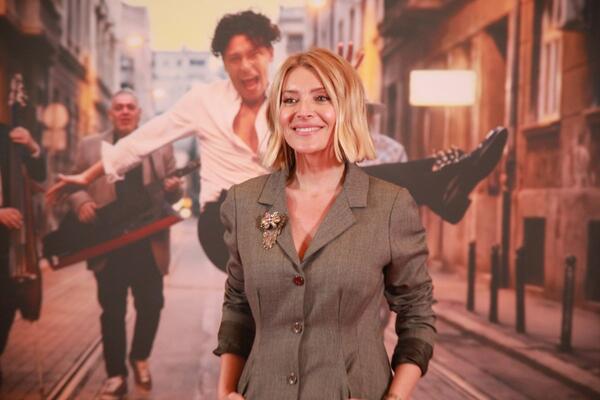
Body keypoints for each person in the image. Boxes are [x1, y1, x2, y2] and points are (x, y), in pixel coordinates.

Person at [46, 10, 507, 267]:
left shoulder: (291, 99)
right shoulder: (203, 100)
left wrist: (340, 88)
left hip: (273, 222)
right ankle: (439, 182)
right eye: (234, 59)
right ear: (224, 64)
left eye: (253, 55)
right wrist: (84, 177)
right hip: (222, 221)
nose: (245, 67)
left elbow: (333, 152)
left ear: (269, 54)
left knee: (329, 204)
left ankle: (444, 181)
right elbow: (142, 140)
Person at [215, 47, 435, 400]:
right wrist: (226, 391)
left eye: (322, 98)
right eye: (290, 100)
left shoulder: (390, 205)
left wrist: (395, 397)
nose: (303, 111)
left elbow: (416, 312)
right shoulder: (244, 202)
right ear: (277, 113)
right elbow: (238, 305)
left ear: (347, 109)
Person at [67, 89, 182, 399]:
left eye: (131, 107)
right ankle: (115, 375)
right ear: (110, 113)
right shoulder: (91, 146)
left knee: (152, 304)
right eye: (119, 107)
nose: (125, 112)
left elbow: (173, 193)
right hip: (108, 243)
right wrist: (81, 202)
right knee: (112, 311)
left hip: (148, 244)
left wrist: (174, 188)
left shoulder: (159, 144)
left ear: (139, 113)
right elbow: (74, 183)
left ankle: (139, 357)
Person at [0, 125, 46, 386]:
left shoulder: (7, 135)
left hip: (8, 242)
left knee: (6, 305)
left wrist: (32, 147)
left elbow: (40, 174)